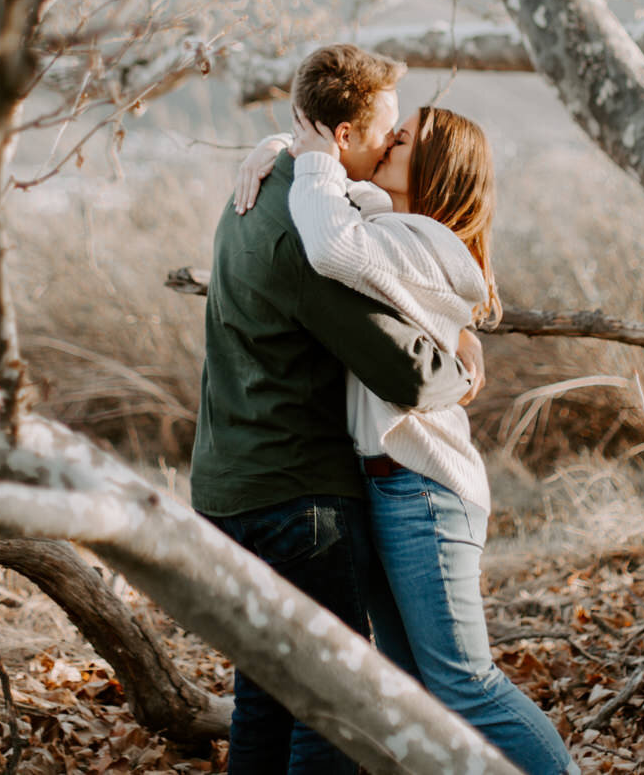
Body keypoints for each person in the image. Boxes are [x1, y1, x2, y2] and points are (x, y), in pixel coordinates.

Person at [234, 103, 579, 775]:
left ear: (437, 167)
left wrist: (304, 156)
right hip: (390, 485)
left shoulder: (424, 238)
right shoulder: (392, 227)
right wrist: (281, 145)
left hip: (424, 488)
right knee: (413, 689)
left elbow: (330, 240)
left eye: (403, 138)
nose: (387, 142)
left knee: (464, 684)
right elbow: (332, 191)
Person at [191, 43, 482, 775]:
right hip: (298, 501)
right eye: (387, 129)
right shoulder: (304, 223)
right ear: (344, 136)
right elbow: (406, 374)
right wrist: (465, 374)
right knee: (334, 706)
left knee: (266, 694)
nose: (391, 143)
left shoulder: (255, 193)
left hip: (224, 485)